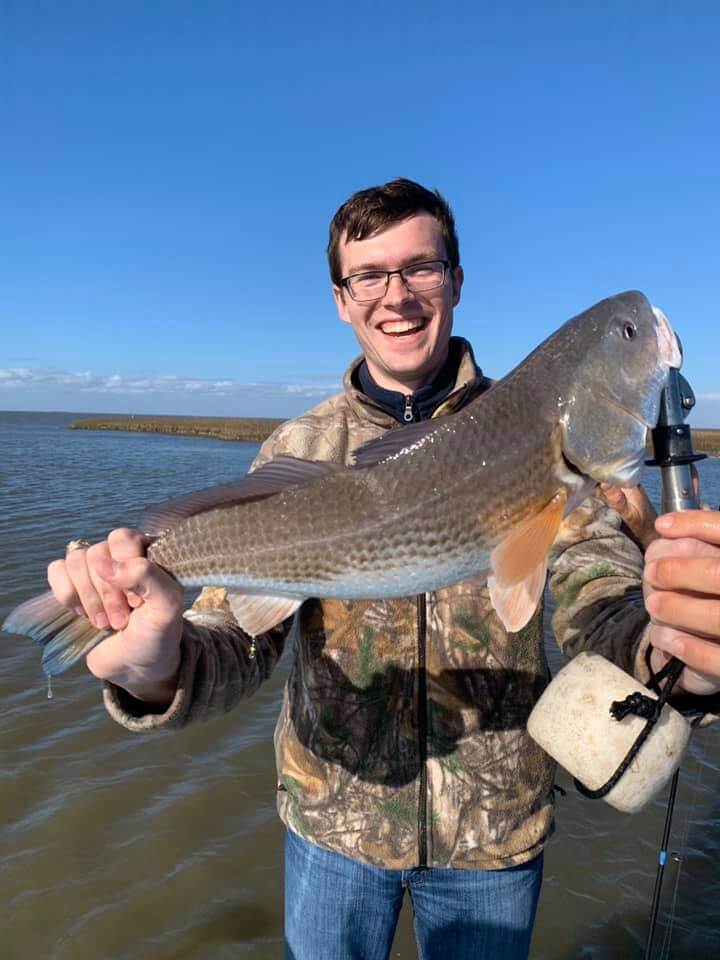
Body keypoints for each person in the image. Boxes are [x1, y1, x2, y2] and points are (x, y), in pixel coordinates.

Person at [47, 179, 720, 959]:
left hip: (493, 839)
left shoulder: (562, 461)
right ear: (341, 298)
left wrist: (682, 652)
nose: (395, 296)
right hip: (332, 829)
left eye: (420, 268)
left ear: (457, 280)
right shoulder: (296, 452)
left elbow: (600, 604)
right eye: (369, 276)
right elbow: (237, 637)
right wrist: (153, 666)